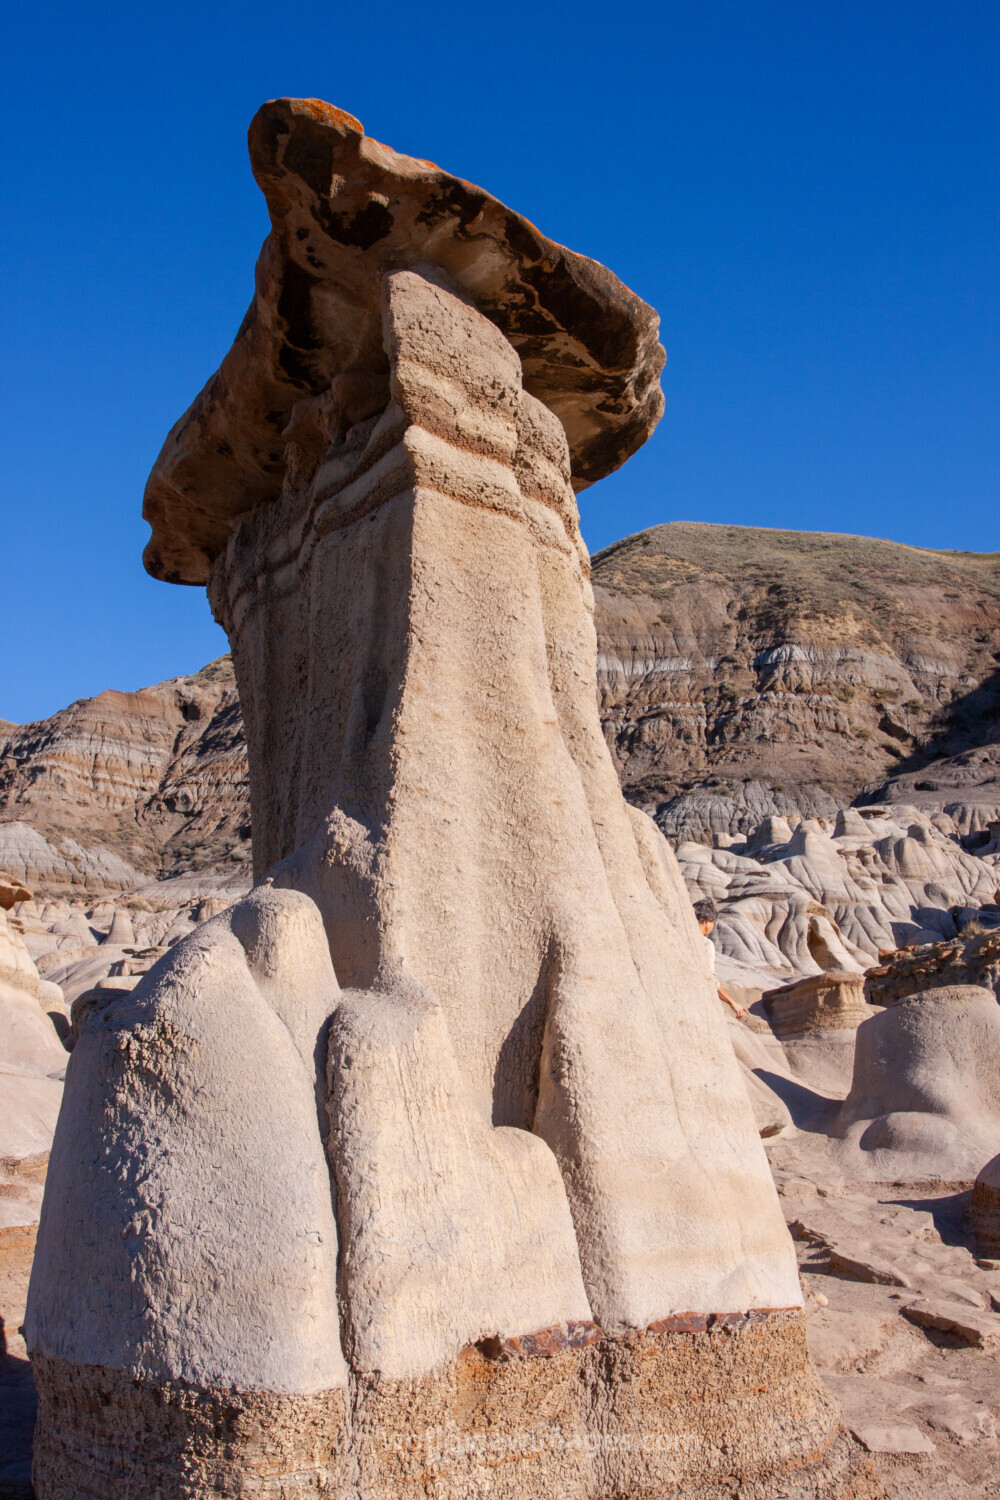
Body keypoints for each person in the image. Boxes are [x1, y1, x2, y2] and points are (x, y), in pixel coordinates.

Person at [692, 898, 749, 1020]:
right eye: (713, 924)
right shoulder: (705, 944)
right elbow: (710, 979)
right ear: (706, 922)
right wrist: (732, 1002)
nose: (712, 928)